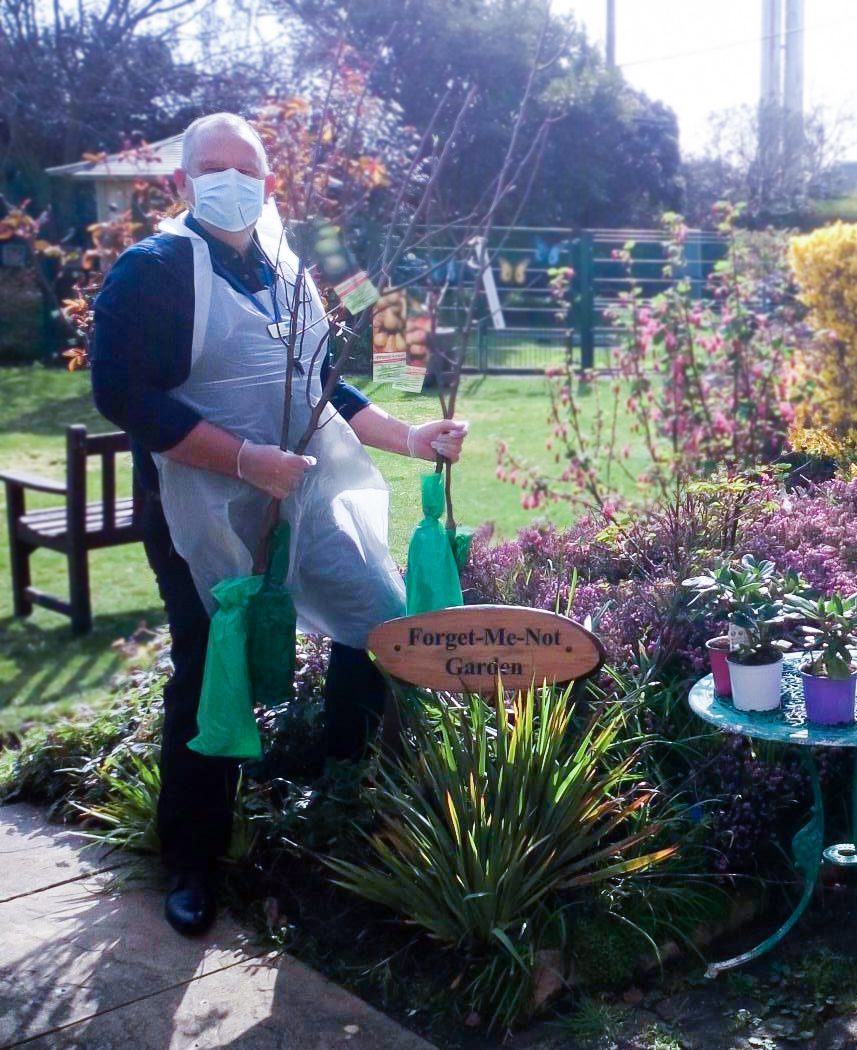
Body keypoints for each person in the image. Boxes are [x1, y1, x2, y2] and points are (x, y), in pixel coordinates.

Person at [90, 113, 468, 938]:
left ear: (268, 182)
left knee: (375, 619)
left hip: (302, 493)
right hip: (201, 512)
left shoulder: (286, 268)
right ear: (185, 181)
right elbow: (122, 394)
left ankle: (342, 790)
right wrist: (242, 460)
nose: (231, 180)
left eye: (246, 168)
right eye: (212, 167)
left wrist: (410, 436)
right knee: (209, 666)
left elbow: (321, 384)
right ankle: (192, 859)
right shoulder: (153, 268)